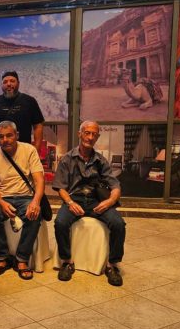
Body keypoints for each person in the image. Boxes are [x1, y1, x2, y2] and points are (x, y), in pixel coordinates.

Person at [52, 121, 126, 286]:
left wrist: (110, 201)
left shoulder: (101, 161)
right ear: (80, 134)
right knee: (60, 223)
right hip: (74, 199)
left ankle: (111, 265)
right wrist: (70, 203)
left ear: (97, 137)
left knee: (118, 223)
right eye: (87, 133)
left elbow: (115, 186)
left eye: (94, 134)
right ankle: (67, 261)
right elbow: (60, 187)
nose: (90, 137)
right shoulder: (67, 159)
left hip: (95, 201)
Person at [0, 121, 45, 281]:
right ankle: (2, 257)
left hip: (26, 196)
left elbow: (39, 180)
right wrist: (1, 203)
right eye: (1, 137)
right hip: (3, 197)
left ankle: (22, 259)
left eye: (9, 135)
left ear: (17, 135)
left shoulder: (29, 150)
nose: (5, 140)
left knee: (34, 215)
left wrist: (35, 202)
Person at [0, 71, 44, 157]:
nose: (8, 84)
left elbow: (38, 126)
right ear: (1, 85)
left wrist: (36, 150)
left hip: (24, 153)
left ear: (18, 83)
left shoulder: (29, 101)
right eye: (5, 82)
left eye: (12, 81)